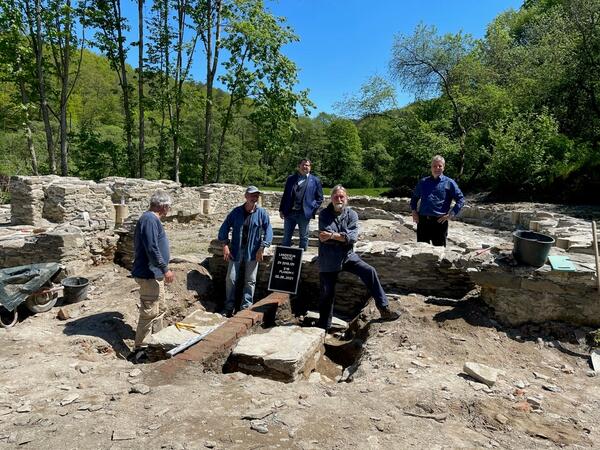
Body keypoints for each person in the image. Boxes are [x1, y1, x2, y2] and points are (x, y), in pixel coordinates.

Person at [317, 185, 399, 331]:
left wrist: (333, 236)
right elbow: (324, 237)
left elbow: (352, 238)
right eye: (336, 196)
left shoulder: (352, 214)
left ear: (346, 198)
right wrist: (341, 237)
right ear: (331, 198)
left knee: (370, 271)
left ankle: (384, 309)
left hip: (347, 256)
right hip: (328, 258)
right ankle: (324, 327)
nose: (339, 199)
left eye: (342, 196)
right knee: (327, 293)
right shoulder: (324, 214)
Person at [130, 190, 175, 362]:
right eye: (168, 207)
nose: (169, 210)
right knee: (149, 312)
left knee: (160, 308)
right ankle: (140, 350)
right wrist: (164, 268)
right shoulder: (149, 219)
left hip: (155, 274)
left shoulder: (152, 219)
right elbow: (151, 248)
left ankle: (158, 342)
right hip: (149, 274)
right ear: (163, 206)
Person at [218, 186, 273, 316]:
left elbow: (268, 230)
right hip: (236, 250)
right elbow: (224, 227)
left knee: (250, 280)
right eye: (252, 195)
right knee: (230, 279)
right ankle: (228, 307)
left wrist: (262, 247)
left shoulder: (262, 213)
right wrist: (225, 244)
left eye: (256, 196)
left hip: (254, 251)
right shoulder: (236, 212)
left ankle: (245, 307)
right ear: (246, 196)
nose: (254, 198)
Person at [410, 155, 465, 247]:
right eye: (434, 166)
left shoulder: (449, 183)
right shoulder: (423, 182)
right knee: (421, 251)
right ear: (431, 167)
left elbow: (461, 199)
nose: (437, 168)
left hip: (440, 222)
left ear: (443, 167)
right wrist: (414, 211)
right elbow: (414, 198)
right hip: (423, 221)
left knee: (439, 253)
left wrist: (451, 214)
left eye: (440, 166)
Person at [279, 158, 324, 250]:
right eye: (303, 165)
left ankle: (301, 257)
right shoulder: (291, 179)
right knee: (286, 236)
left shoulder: (315, 180)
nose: (305, 167)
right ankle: (284, 258)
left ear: (310, 167)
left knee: (304, 237)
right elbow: (285, 195)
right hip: (289, 213)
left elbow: (319, 198)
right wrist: (281, 209)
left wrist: (312, 209)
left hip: (304, 214)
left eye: (307, 165)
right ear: (299, 166)